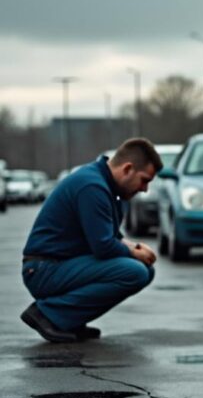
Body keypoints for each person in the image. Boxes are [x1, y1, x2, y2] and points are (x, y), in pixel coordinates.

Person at [20, 138, 163, 342]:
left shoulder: (110, 189)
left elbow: (109, 236)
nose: (145, 189)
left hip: (60, 265)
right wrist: (132, 251)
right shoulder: (91, 186)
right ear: (128, 169)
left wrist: (134, 247)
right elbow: (103, 246)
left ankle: (70, 320)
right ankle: (48, 314)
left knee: (145, 270)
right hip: (44, 269)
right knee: (135, 271)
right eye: (144, 180)